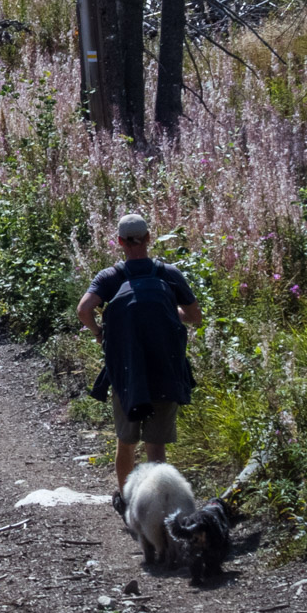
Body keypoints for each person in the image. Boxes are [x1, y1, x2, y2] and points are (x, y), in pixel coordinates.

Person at [76, 213, 203, 506]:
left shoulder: (110, 277)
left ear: (119, 242)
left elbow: (84, 309)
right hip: (165, 368)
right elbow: (195, 316)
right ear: (148, 238)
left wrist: (100, 333)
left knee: (126, 439)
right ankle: (158, 506)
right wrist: (173, 314)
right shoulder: (168, 273)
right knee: (155, 444)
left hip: (126, 370)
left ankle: (127, 500)